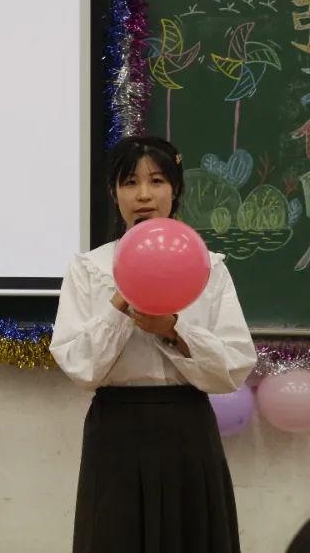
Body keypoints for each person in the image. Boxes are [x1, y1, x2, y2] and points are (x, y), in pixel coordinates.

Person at [50, 135, 257, 553]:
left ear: (174, 190)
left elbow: (235, 364)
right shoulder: (89, 269)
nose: (143, 195)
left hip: (188, 430)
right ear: (114, 194)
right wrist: (121, 299)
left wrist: (174, 331)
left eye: (157, 181)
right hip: (116, 430)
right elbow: (80, 367)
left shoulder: (208, 267)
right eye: (130, 183)